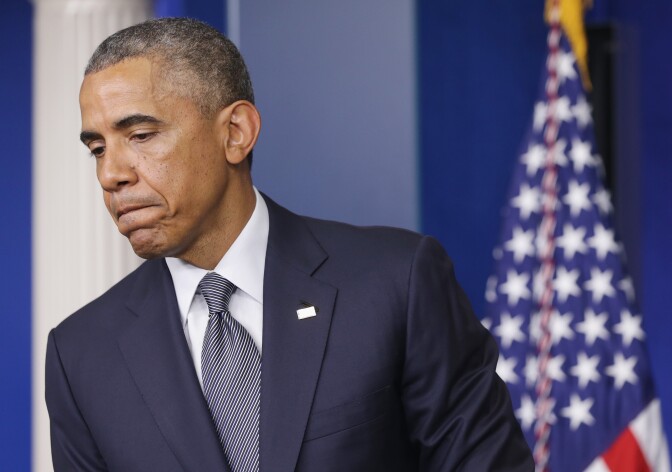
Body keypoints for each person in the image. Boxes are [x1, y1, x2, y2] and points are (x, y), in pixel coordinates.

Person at [45, 17, 533, 472]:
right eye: (98, 149)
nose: (111, 174)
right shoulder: (81, 354)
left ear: (236, 133)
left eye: (142, 135)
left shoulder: (397, 285)